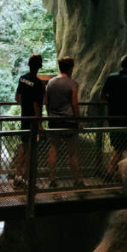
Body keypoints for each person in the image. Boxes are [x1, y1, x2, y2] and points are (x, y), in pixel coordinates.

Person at [44, 56, 82, 188]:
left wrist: (50, 115)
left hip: (54, 121)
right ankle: (77, 180)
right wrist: (78, 121)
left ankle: (52, 179)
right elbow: (74, 104)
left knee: (54, 148)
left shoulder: (51, 83)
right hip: (69, 121)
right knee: (72, 151)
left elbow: (46, 102)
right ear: (71, 68)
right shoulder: (72, 84)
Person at [11, 54, 46, 188]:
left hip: (24, 117)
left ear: (28, 64)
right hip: (33, 120)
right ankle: (28, 178)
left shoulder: (22, 79)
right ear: (40, 66)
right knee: (32, 148)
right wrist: (39, 123)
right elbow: (37, 104)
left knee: (24, 145)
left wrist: (23, 108)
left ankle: (18, 175)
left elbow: (17, 97)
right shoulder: (38, 83)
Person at [101, 54, 127, 177]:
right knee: (120, 146)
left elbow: (102, 96)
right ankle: (110, 172)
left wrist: (113, 102)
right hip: (125, 116)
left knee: (117, 144)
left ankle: (117, 172)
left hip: (112, 115)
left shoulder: (111, 78)